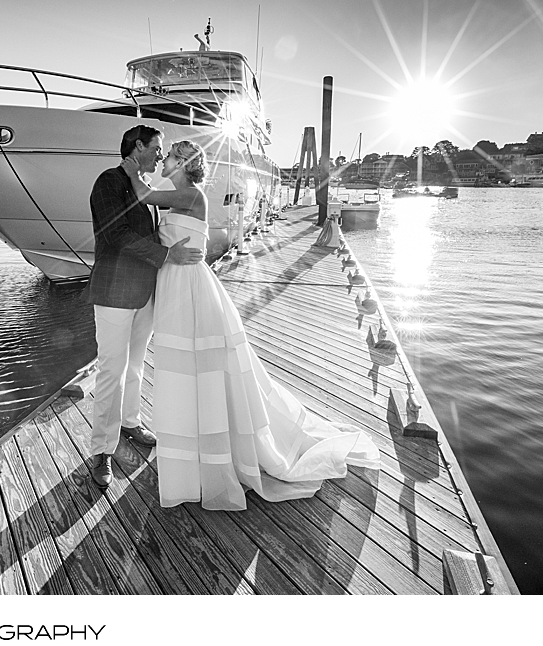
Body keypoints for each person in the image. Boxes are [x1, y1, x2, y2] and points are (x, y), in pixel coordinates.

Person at [125, 140, 381, 510]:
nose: (163, 160)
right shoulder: (179, 194)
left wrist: (133, 170)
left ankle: (210, 453)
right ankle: (192, 449)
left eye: (169, 157)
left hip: (189, 287)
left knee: (202, 366)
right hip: (175, 283)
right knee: (186, 367)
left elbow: (144, 196)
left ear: (183, 163)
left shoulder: (192, 195)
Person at [82, 125, 203, 490]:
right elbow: (115, 236)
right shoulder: (108, 182)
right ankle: (101, 451)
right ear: (138, 147)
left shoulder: (146, 189)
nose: (159, 155)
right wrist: (167, 254)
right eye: (156, 148)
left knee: (134, 367)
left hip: (144, 292)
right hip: (115, 293)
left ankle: (130, 423)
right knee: (110, 371)